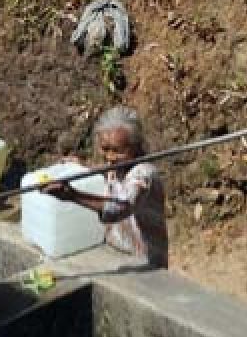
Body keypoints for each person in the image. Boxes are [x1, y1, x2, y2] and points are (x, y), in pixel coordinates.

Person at [44, 106, 168, 268]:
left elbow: (121, 207)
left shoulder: (143, 175)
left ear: (136, 146)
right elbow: (105, 170)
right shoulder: (116, 168)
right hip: (115, 255)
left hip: (145, 263)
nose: (110, 157)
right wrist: (83, 167)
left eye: (117, 151)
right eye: (105, 149)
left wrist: (72, 195)